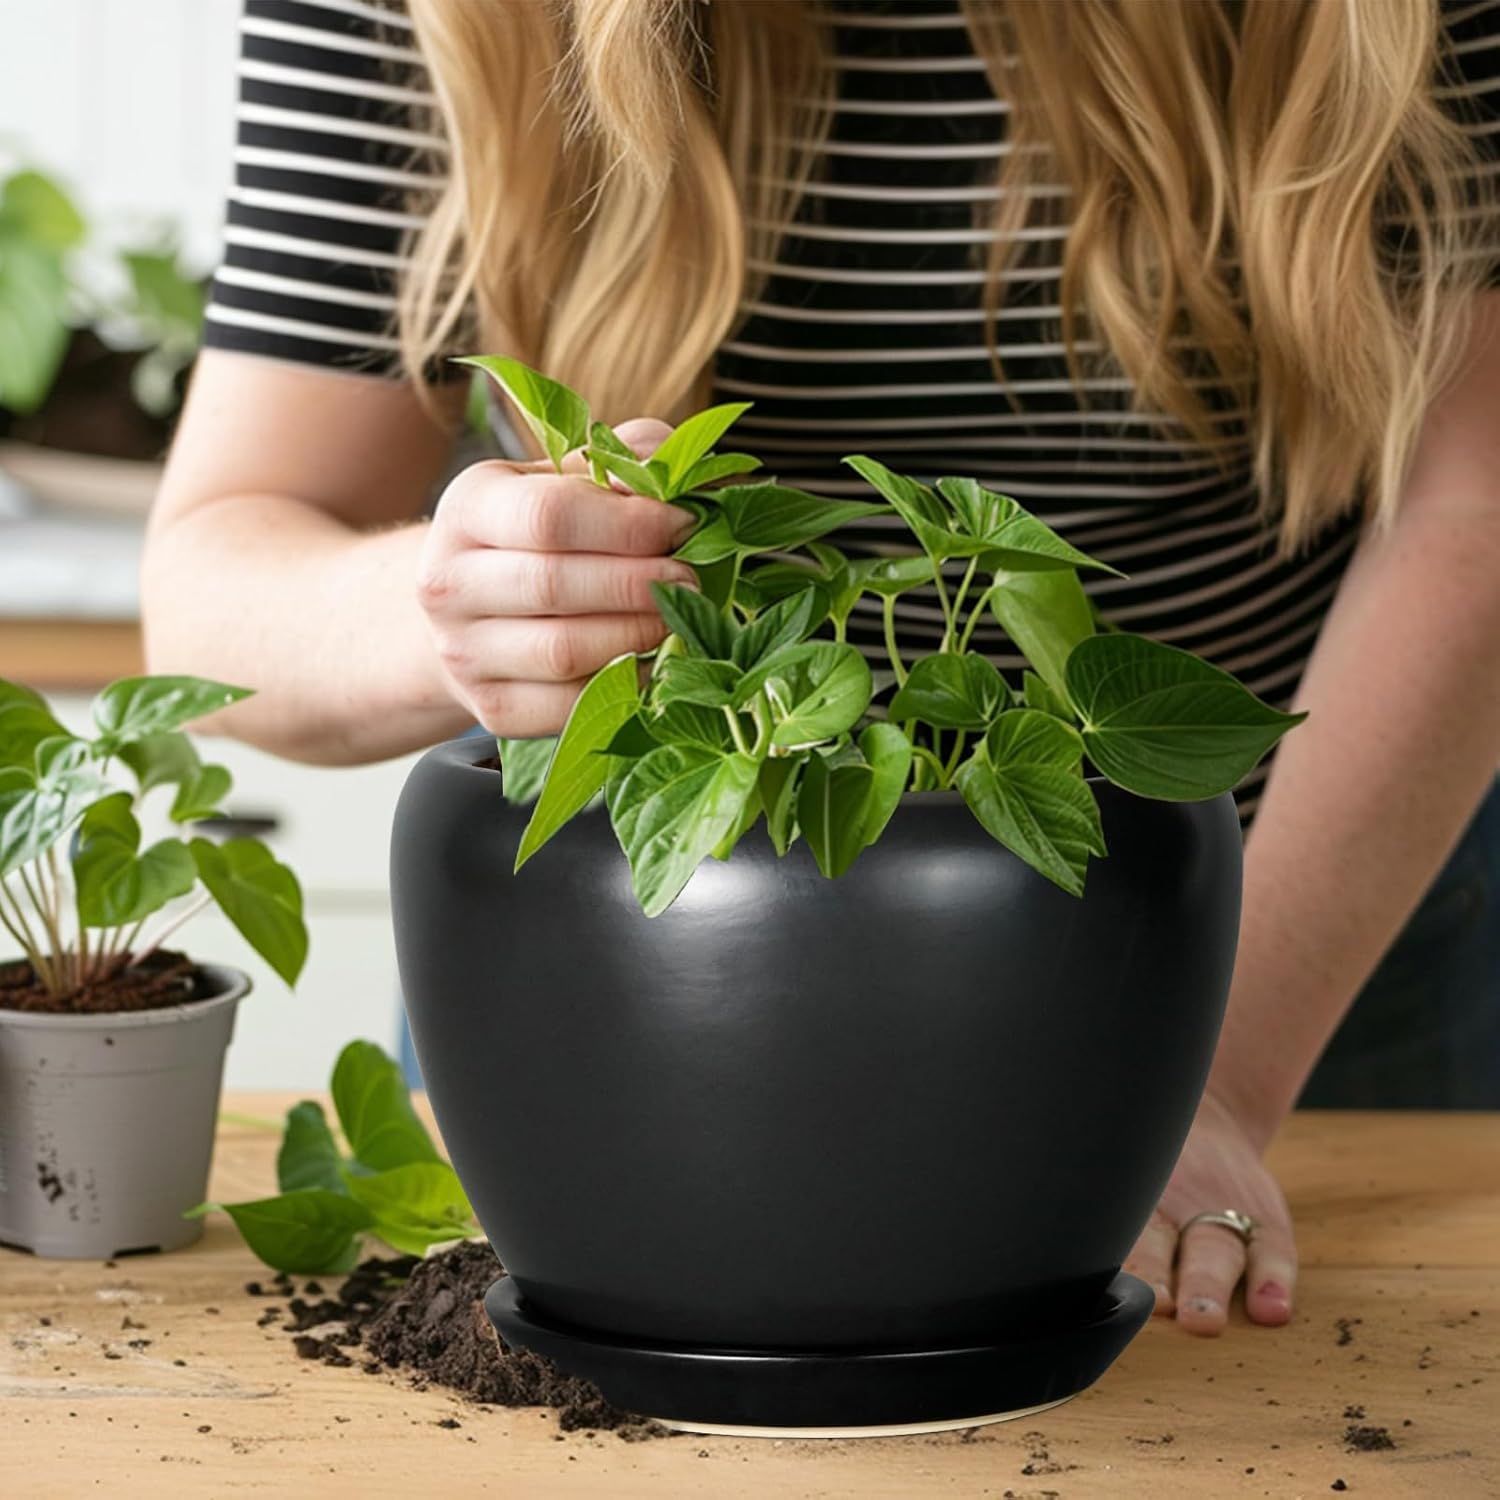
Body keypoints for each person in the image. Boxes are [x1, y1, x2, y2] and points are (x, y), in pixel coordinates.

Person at [145, 0, 1500, 1337]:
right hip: (628, 968)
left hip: (1274, 935)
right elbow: (212, 588)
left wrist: (1205, 1082)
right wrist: (467, 603)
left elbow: (1475, 506)